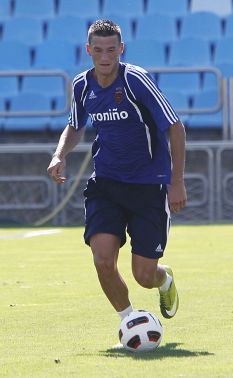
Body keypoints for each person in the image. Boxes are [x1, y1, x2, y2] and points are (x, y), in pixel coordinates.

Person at [46, 20, 186, 325]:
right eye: (98, 50)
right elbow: (75, 124)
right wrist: (59, 154)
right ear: (88, 50)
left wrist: (177, 182)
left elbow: (175, 127)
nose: (105, 56)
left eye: (111, 50)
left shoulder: (136, 80)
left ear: (121, 49)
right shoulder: (83, 85)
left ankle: (164, 281)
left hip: (148, 186)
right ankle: (130, 321)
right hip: (106, 184)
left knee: (143, 275)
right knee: (103, 261)